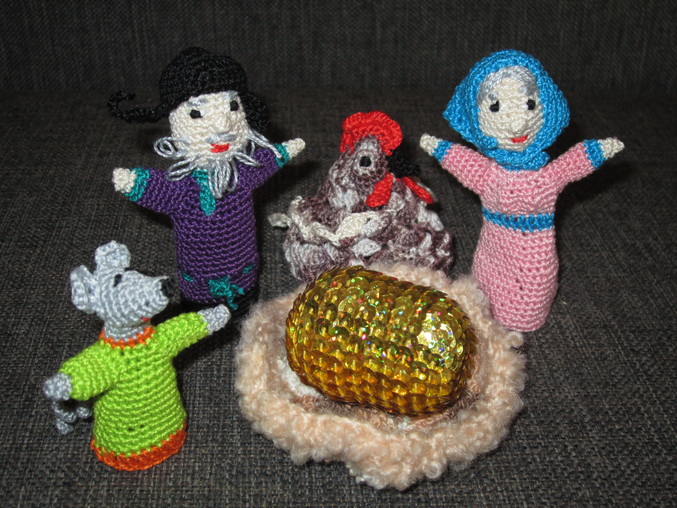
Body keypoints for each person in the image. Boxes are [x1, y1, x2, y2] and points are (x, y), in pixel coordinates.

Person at [420, 50, 623, 331]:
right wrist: (441, 149)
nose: (517, 125)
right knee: (484, 290)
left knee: (532, 290)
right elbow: (466, 163)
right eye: (495, 107)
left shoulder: (546, 178)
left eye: (529, 104)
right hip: (493, 251)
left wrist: (597, 151)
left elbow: (570, 164)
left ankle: (523, 315)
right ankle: (488, 306)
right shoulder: (490, 176)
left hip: (534, 254)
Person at [109, 47, 304, 312]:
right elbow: (158, 187)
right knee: (202, 319)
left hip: (243, 274)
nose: (222, 126)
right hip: (199, 286)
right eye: (196, 113)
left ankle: (242, 302)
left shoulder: (243, 172)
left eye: (232, 106)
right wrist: (134, 182)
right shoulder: (182, 188)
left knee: (245, 310)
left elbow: (264, 161)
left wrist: (284, 151)